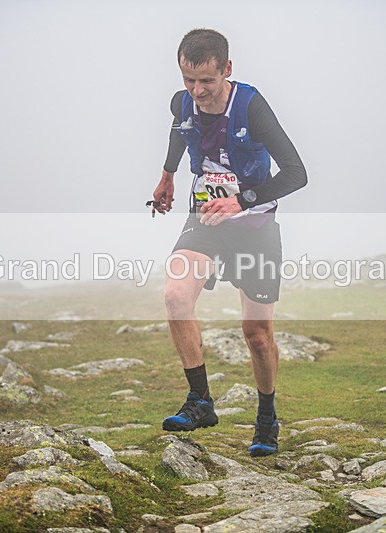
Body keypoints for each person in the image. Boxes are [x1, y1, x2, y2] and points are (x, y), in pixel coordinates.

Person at [150, 29, 307, 456]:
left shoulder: (251, 107)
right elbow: (179, 130)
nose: (197, 91)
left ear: (227, 69)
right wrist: (167, 177)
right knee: (175, 294)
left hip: (255, 228)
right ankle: (200, 400)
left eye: (206, 81)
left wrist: (241, 201)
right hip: (205, 219)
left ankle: (266, 417)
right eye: (188, 80)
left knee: (257, 335)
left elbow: (297, 173)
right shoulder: (183, 102)